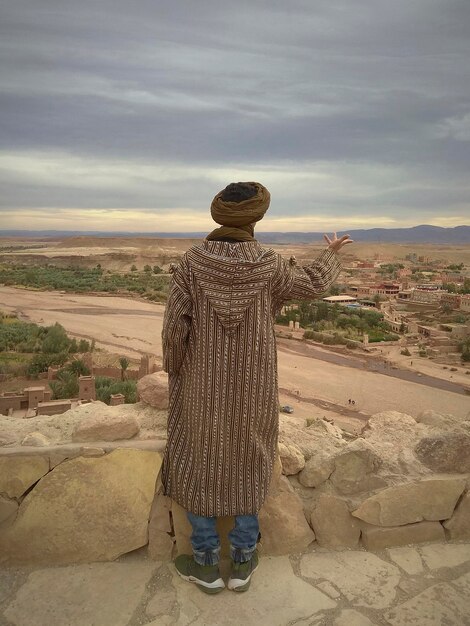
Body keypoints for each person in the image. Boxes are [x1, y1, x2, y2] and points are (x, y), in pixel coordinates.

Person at [161, 182, 353, 594]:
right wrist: (331, 255)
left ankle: (206, 563)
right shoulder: (268, 264)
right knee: (252, 456)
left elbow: (174, 328)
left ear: (219, 216)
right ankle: (244, 560)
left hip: (200, 384)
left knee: (198, 456)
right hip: (255, 385)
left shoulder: (191, 264)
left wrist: (175, 371)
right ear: (256, 217)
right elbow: (311, 284)